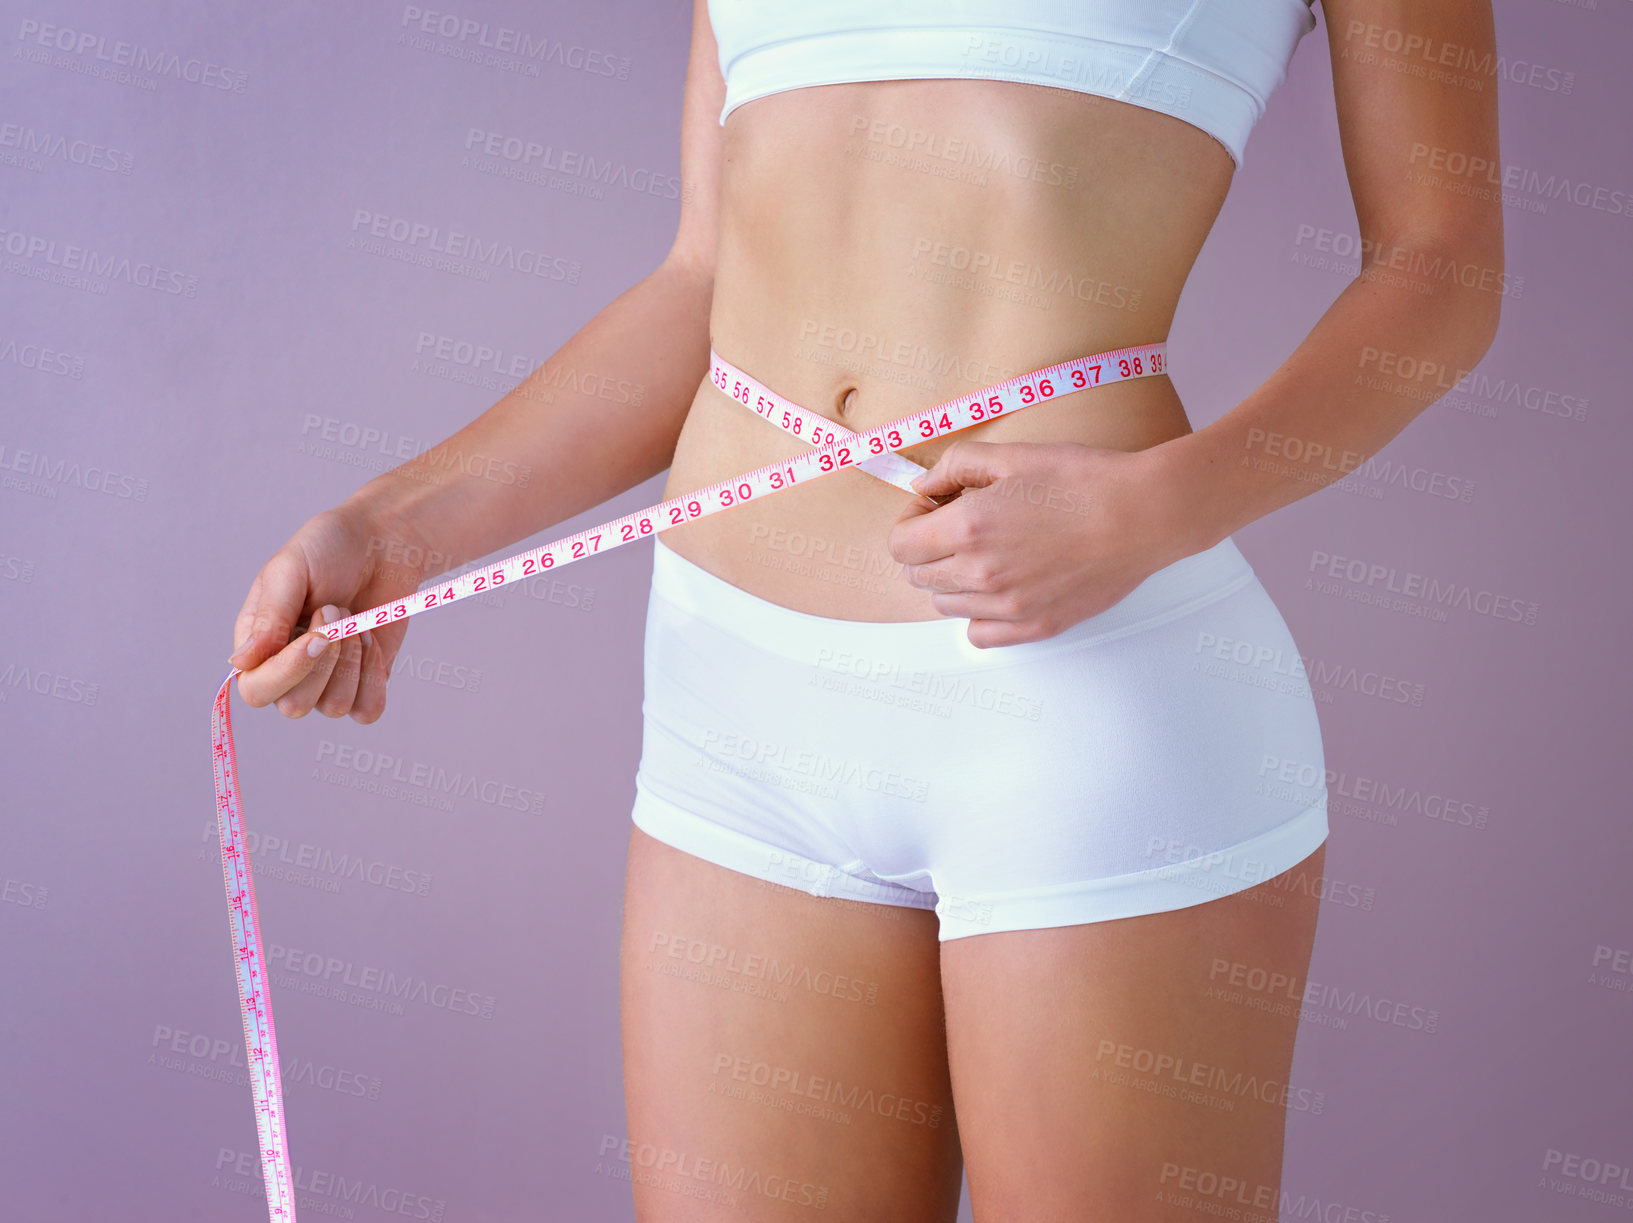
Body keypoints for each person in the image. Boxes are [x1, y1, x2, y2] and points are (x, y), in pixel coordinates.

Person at [226, 0, 1502, 1216]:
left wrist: (1159, 508)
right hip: (735, 708)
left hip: (1081, 696)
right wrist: (392, 532)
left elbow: (1440, 263)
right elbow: (701, 283)